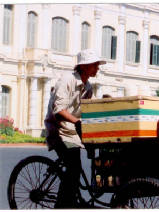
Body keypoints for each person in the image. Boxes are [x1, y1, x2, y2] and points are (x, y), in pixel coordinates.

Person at [44, 49, 106, 208]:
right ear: (84, 67)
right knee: (74, 166)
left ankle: (73, 198)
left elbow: (88, 110)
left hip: (73, 131)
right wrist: (78, 122)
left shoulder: (88, 87)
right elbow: (59, 111)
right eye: (95, 65)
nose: (97, 68)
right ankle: (63, 206)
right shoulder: (67, 80)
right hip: (58, 130)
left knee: (89, 162)